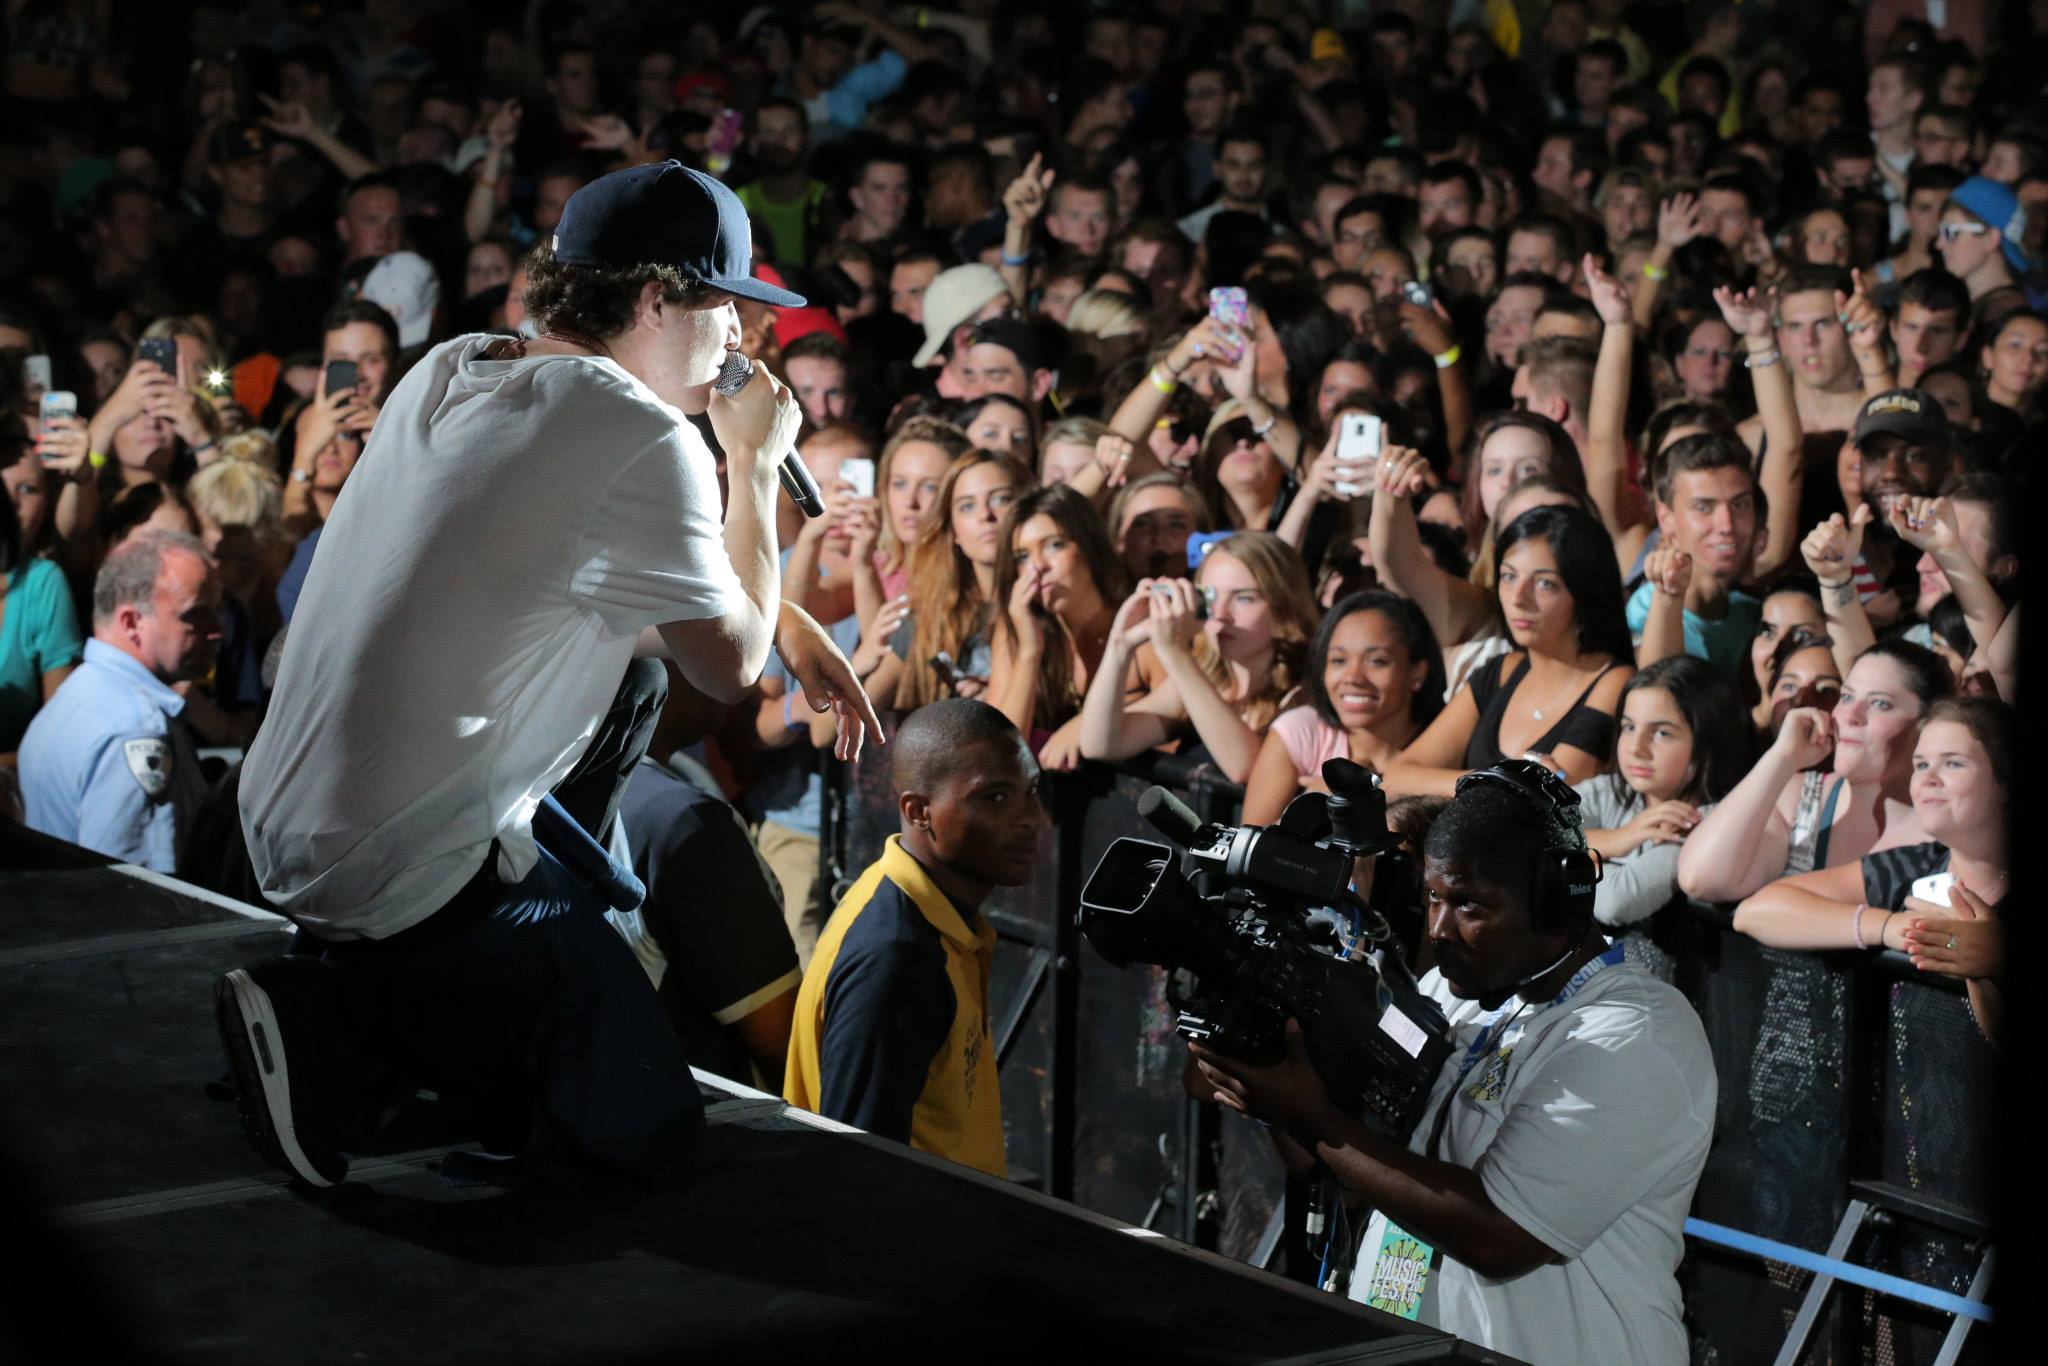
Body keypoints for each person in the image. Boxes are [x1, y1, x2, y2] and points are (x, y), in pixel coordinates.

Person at [224, 161, 878, 1189]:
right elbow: (732, 659)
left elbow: (570, 598)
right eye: (730, 307)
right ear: (658, 298)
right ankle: (342, 1040)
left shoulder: (454, 366)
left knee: (632, 683)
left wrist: (785, 612)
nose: (745, 342)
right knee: (646, 1137)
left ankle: (392, 1025)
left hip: (283, 827)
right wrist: (750, 465)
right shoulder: (635, 432)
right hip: (407, 869)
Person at [1192, 762, 1715, 1365]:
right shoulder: (1446, 991)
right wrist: (1265, 1068)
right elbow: (1345, 1163)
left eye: (1468, 904)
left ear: (1554, 902)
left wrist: (1314, 1120)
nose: (1440, 928)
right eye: (1433, 898)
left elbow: (1503, 1237)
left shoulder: (1632, 1035)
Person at [785, 698, 1045, 1176]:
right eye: (996, 797)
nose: (1030, 817)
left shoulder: (931, 913)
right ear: (919, 811)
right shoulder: (897, 957)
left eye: (1032, 791)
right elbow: (858, 1174)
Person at [1732, 697, 2009, 1040]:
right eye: (1921, 765)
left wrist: (1994, 960)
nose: (1928, 779)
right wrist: (1892, 927)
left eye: (1953, 764)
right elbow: (1754, 912)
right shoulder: (1915, 865)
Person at [614, 661, 801, 1087]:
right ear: (652, 664)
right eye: (695, 647)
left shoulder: (553, 778)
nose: (734, 671)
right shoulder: (684, 821)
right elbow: (783, 1042)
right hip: (698, 1123)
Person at [1386, 504, 1634, 796]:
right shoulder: (1501, 671)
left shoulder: (1614, 681)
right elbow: (1397, 778)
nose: (1518, 598)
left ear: (1585, 591)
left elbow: (1543, 799)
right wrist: (1494, 780)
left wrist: (1470, 782)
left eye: (1544, 583)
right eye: (1508, 576)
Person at [1679, 640, 1950, 902]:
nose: (1849, 714)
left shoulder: (1952, 827)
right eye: (1846, 696)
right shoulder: (1800, 800)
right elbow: (1701, 879)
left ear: (1929, 723)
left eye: (1880, 703)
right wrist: (1782, 758)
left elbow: (1958, 944)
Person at [18, 531, 219, 871]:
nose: (216, 629)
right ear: (132, 622)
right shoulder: (135, 731)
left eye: (216, 610)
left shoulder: (79, 695)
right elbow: (142, 893)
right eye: (195, 615)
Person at [1078, 530, 1317, 784]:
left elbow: (1245, 768)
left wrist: (1175, 654)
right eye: (1210, 597)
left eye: (1243, 598)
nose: (1221, 614)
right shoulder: (1204, 679)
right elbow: (1099, 744)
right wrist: (1119, 647)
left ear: (1286, 606)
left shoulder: (1306, 693)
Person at [1578, 658, 1748, 972]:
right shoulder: (1607, 792)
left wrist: (1560, 863)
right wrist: (1616, 841)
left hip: (1649, 1001)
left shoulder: (1706, 822)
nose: (1636, 748)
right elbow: (1523, 842)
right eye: (1629, 727)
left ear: (1709, 740)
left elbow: (1616, 901)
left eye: (1662, 734)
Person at [1242, 590, 1446, 825]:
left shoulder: (1453, 744)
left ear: (1417, 672)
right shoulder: (1300, 730)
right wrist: (1311, 808)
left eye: (1377, 661)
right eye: (1339, 660)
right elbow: (1249, 846)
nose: (1353, 677)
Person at [987, 482, 1124, 769]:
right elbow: (999, 752)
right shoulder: (1016, 629)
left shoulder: (1131, 626)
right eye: (1022, 556)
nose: (1038, 566)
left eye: (1054, 545)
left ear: (1088, 545)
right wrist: (1030, 651)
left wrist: (1087, 722)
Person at [1626, 433, 1763, 675]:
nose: (1727, 525)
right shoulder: (1642, 615)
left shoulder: (1752, 615)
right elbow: (1656, 700)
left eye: (1739, 505)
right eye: (1703, 508)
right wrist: (1668, 596)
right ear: (1666, 519)